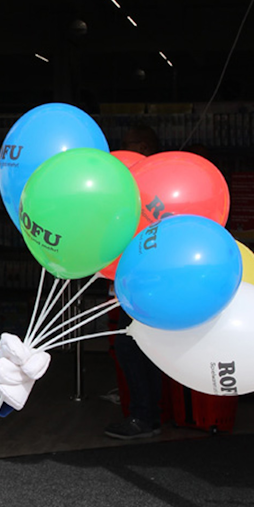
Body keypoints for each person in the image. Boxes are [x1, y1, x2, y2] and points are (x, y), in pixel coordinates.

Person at [105, 124, 164, 440]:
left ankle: (144, 416)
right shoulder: (145, 182)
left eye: (129, 143)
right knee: (138, 347)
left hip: (147, 281)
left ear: (143, 146)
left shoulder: (144, 185)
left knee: (130, 346)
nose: (123, 148)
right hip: (139, 279)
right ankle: (148, 415)